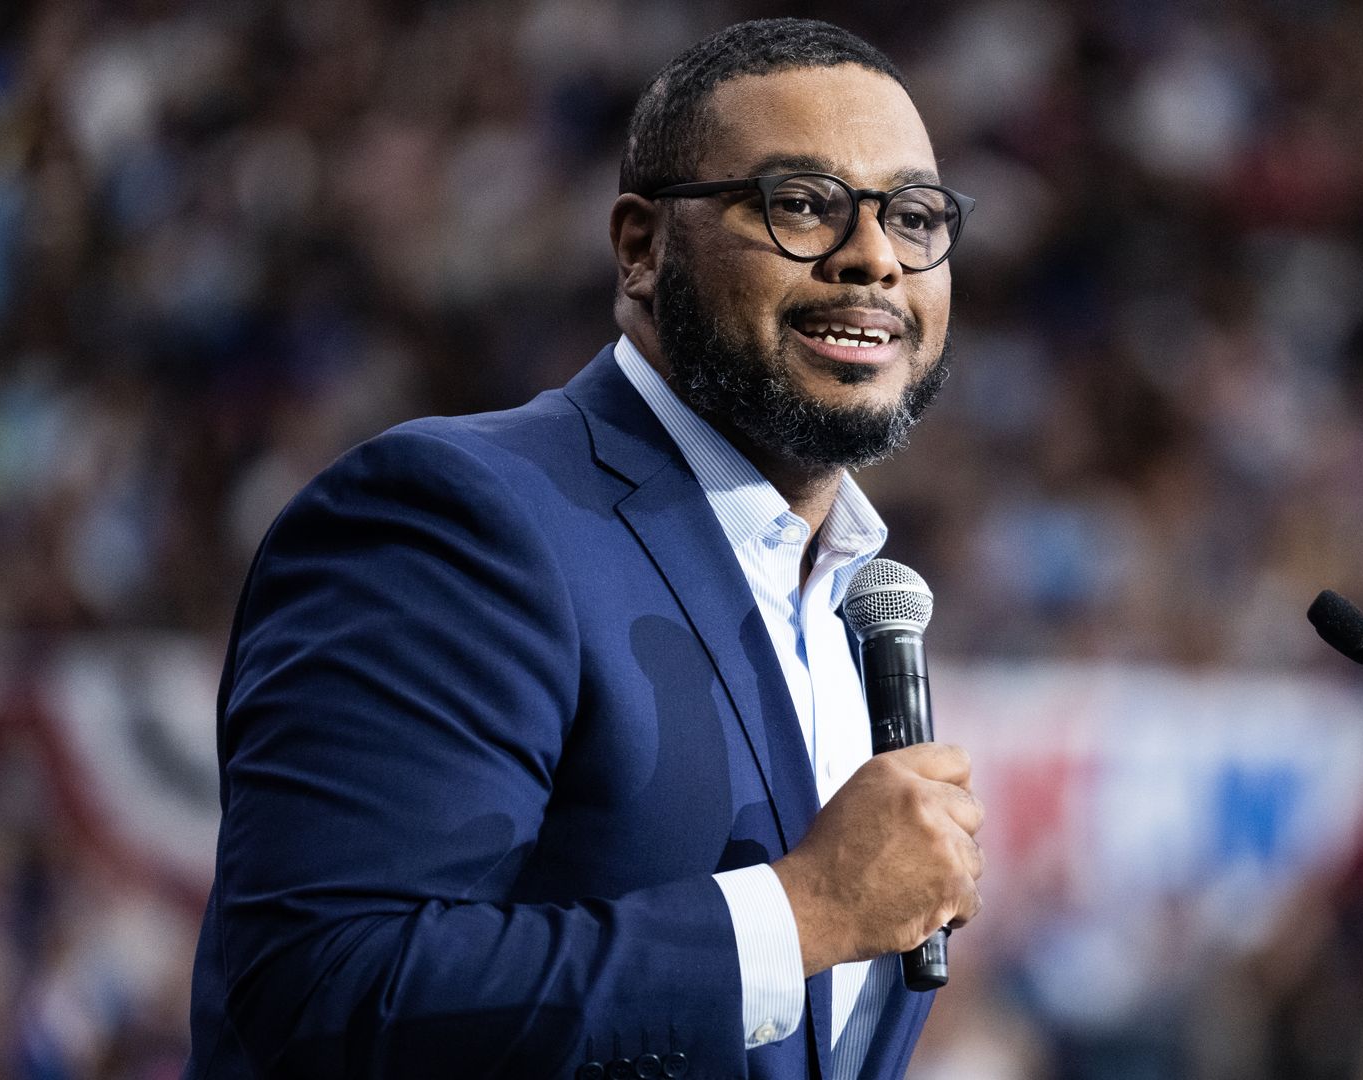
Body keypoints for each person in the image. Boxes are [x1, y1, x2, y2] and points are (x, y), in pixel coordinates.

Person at [183, 18, 986, 1080]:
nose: (875, 256)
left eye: (914, 216)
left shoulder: (854, 609)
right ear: (641, 247)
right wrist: (800, 915)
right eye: (802, 204)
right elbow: (326, 985)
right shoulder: (454, 518)